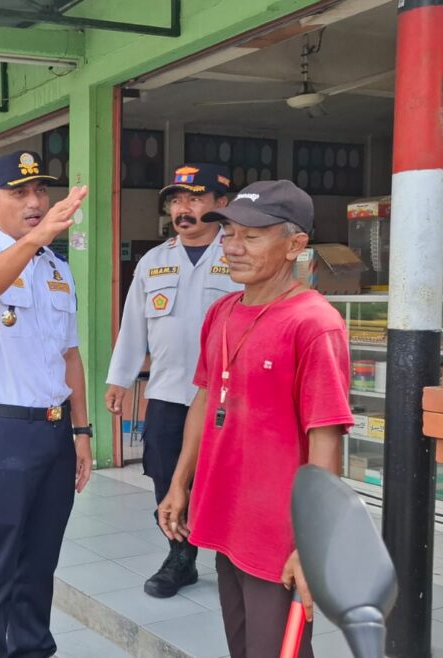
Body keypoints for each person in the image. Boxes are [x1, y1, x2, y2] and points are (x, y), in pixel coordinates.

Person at [158, 180, 352, 658]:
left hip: (278, 533)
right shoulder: (222, 312)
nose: (233, 248)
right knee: (242, 646)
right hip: (225, 516)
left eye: (252, 236)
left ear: (295, 245)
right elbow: (205, 401)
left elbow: (325, 439)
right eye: (228, 234)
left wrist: (312, 544)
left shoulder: (313, 323)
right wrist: (181, 482)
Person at [0, 151, 92, 658]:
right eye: (20, 193)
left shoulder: (58, 269)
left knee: (39, 565)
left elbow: (70, 356)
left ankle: (33, 650)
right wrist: (35, 240)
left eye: (40, 192)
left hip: (54, 436)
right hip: (2, 435)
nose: (35, 203)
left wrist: (82, 433)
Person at [104, 163, 242, 598]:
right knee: (166, 474)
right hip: (167, 392)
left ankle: (233, 557)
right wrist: (119, 379)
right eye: (176, 201)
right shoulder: (154, 260)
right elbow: (133, 325)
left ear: (221, 204)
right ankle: (180, 557)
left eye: (195, 199)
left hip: (228, 396)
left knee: (226, 476)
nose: (183, 209)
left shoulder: (239, 253)